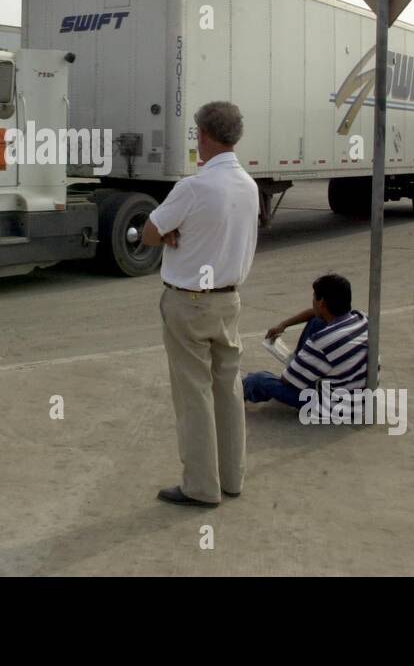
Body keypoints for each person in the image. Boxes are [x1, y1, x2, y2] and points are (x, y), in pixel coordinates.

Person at [143, 101, 259, 508]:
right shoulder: (248, 185)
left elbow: (148, 233)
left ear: (204, 136)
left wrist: (171, 232)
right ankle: (232, 477)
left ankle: (200, 486)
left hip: (189, 303)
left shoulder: (193, 187)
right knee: (227, 389)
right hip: (228, 301)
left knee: (194, 395)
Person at [242, 274, 369, 410]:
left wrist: (290, 373)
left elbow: (287, 381)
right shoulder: (361, 318)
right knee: (317, 321)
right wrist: (284, 324)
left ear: (322, 303)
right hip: (359, 396)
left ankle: (238, 392)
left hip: (331, 406)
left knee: (258, 380)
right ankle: (304, 366)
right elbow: (315, 313)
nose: (312, 301)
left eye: (314, 297)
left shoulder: (320, 341)